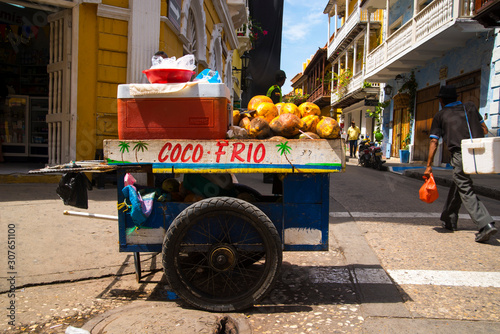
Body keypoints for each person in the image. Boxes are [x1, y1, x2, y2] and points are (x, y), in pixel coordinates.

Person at [424, 85, 497, 243]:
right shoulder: (470, 107)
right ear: (457, 98)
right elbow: (484, 129)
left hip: (460, 153)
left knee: (464, 186)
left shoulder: (440, 115)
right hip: (478, 152)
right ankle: (449, 218)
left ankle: (485, 224)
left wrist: (429, 164)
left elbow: (434, 142)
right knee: (460, 181)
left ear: (441, 100)